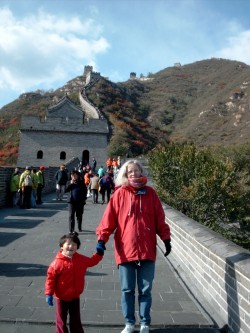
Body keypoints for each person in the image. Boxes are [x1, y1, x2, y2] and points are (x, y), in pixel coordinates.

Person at [96, 160, 171, 333]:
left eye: (136, 170)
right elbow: (108, 220)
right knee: (127, 289)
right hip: (125, 249)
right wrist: (101, 240)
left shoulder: (151, 194)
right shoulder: (119, 194)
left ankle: (145, 323)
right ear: (124, 174)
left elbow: (160, 218)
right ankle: (129, 323)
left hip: (146, 249)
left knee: (146, 290)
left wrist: (166, 239)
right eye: (130, 171)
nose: (133, 174)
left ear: (141, 172)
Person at [45, 232, 104, 333]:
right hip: (61, 297)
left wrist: (99, 254)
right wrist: (49, 293)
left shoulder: (80, 259)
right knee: (61, 320)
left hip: (75, 295)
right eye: (68, 244)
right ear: (61, 246)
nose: (71, 246)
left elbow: (92, 261)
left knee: (75, 319)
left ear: (77, 247)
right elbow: (50, 279)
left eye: (74, 244)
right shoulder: (56, 263)